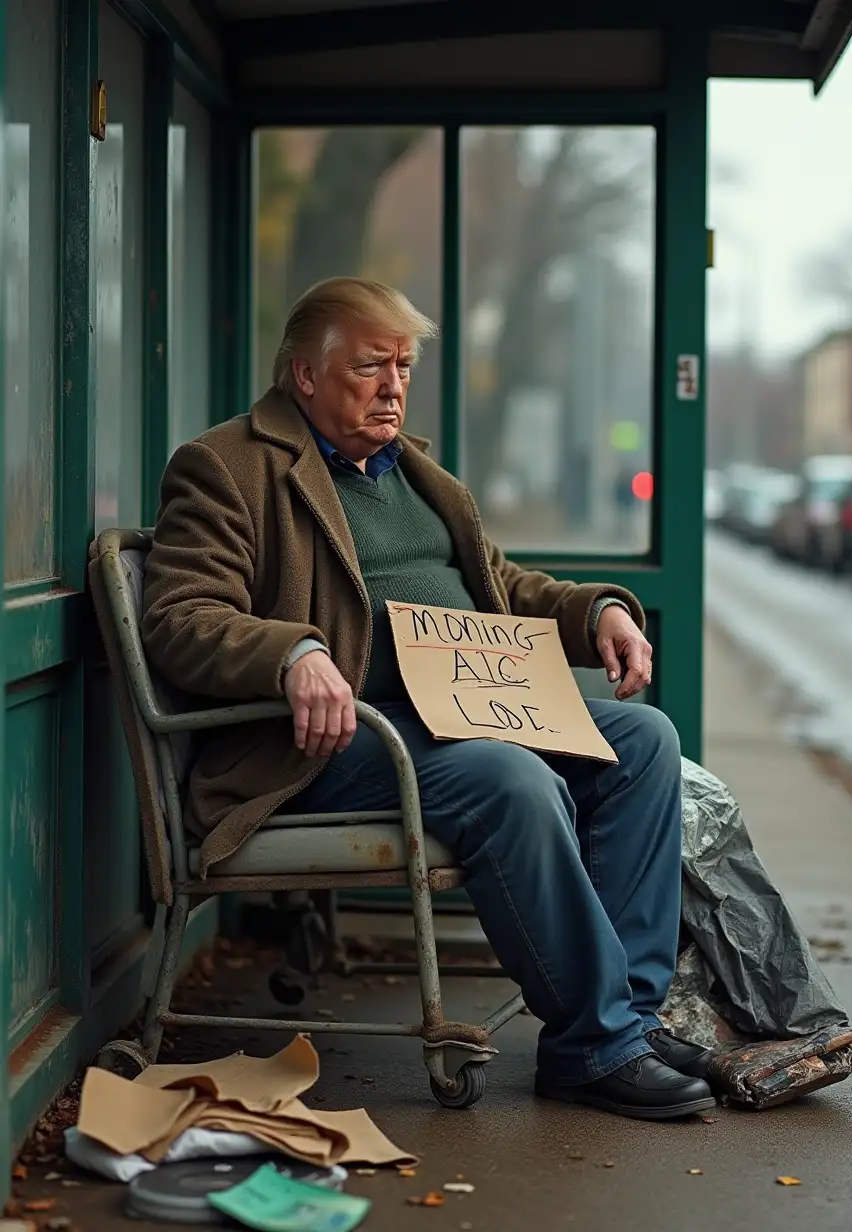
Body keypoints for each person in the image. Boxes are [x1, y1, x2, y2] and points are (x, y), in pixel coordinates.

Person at [142, 278, 716, 1121]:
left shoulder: (416, 470)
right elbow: (180, 617)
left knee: (643, 741)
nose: (394, 386)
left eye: (403, 366)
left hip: (463, 713)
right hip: (326, 744)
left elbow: (501, 585)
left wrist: (598, 613)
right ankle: (599, 1041)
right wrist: (292, 652)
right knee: (511, 779)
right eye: (371, 366)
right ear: (305, 376)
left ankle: (621, 1018)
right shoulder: (228, 466)